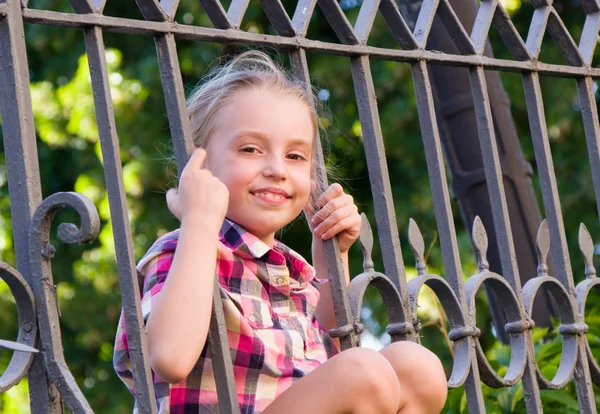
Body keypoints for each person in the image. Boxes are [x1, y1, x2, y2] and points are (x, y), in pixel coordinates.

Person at [114, 51, 448, 413]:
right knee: (362, 371)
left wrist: (331, 255)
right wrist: (198, 222)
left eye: (295, 156)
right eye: (251, 149)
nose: (277, 169)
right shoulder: (182, 250)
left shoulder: (290, 270)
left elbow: (328, 358)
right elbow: (169, 359)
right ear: (200, 162)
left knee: (418, 368)